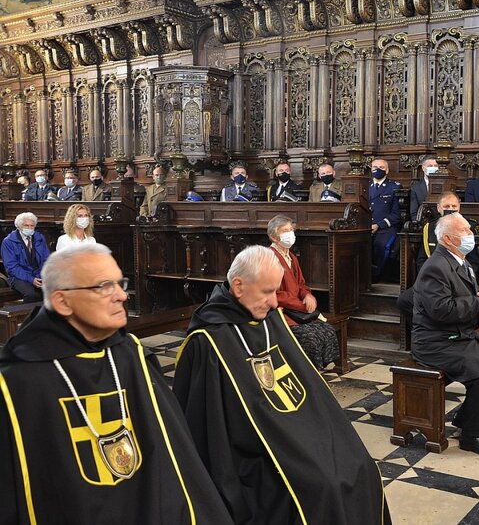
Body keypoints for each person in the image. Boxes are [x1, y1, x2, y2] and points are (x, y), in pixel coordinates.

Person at [0, 244, 234, 524]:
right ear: (63, 301)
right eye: (104, 286)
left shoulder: (131, 353)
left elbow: (176, 456)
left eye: (120, 283)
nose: (122, 295)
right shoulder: (17, 381)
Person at [172, 245, 391, 524]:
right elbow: (208, 431)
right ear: (238, 286)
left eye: (276, 291)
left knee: (361, 468)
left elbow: (306, 388)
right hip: (252, 456)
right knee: (323, 489)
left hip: (296, 434)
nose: (275, 302)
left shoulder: (268, 318)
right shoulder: (207, 340)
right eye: (267, 292)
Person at [411, 213, 479, 456]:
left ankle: (467, 418)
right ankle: (472, 436)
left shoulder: (460, 261)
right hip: (435, 341)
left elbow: (464, 295)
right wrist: (478, 303)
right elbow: (441, 310)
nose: (471, 234)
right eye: (465, 231)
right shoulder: (435, 267)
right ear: (449, 239)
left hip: (458, 335)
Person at [268, 214, 338, 369]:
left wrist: (307, 295)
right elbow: (273, 294)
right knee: (310, 337)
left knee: (327, 330)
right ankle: (309, 372)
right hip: (281, 312)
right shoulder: (268, 258)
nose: (290, 233)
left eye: (291, 229)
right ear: (274, 237)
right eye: (285, 230)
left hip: (297, 309)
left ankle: (323, 365)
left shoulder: (291, 256)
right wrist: (301, 305)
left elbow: (301, 284)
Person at [1, 212, 50, 302]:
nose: (30, 228)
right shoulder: (8, 242)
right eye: (26, 226)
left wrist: (40, 276)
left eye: (32, 226)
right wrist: (31, 279)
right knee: (30, 294)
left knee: (52, 290)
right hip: (18, 277)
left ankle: (46, 315)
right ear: (19, 226)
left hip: (38, 274)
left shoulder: (40, 238)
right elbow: (12, 267)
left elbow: (46, 260)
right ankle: (27, 316)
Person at [369, 158, 401, 282]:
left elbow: (396, 214)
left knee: (381, 246)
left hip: (386, 227)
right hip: (366, 226)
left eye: (381, 168)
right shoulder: (365, 186)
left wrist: (378, 225)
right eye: (375, 167)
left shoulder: (394, 187)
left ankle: (377, 275)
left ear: (387, 170)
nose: (378, 170)